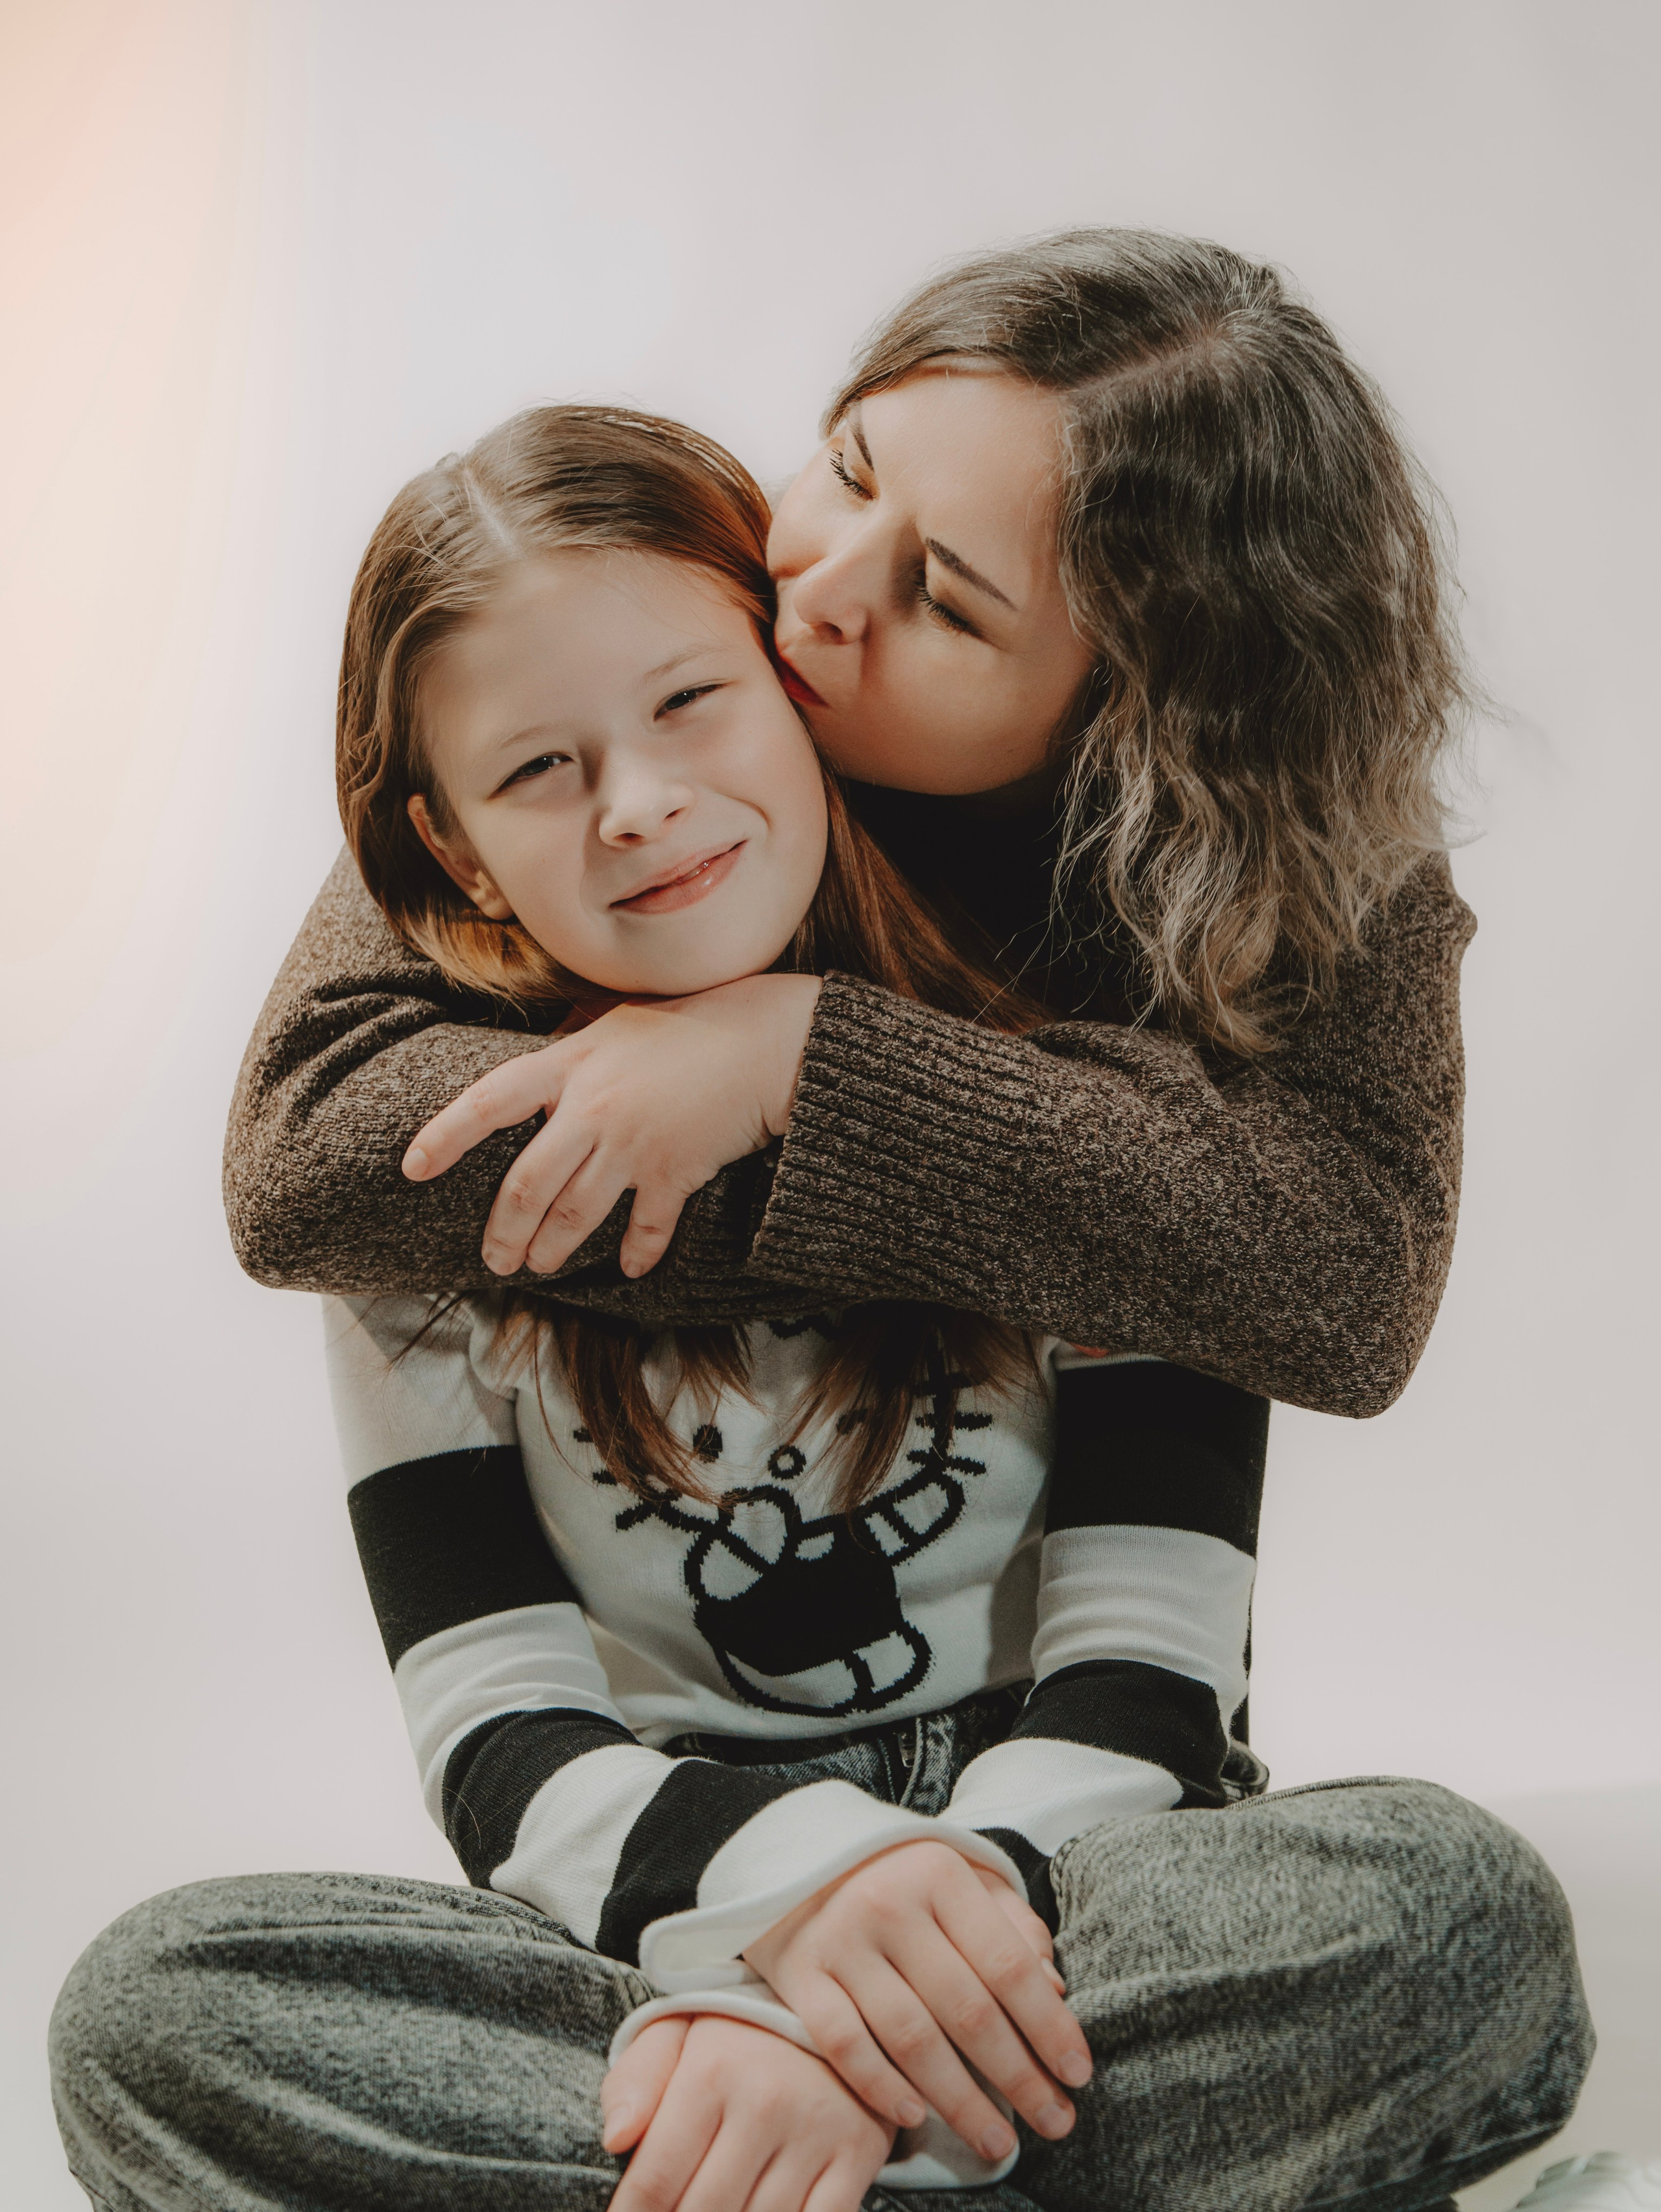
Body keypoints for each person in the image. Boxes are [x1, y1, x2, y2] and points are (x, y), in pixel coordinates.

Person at [51, 405, 1588, 2212]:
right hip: (652, 1906)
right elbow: (497, 1726)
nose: (637, 802)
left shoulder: (1064, 1094)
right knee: (150, 2013)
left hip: (1081, 1876)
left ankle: (763, 2165)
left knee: (1455, 1906)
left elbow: (1151, 1667)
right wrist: (782, 1924)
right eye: (539, 771)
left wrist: (844, 2014)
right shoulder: (447, 1178)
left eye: (694, 701)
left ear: (798, 694)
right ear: (455, 853)